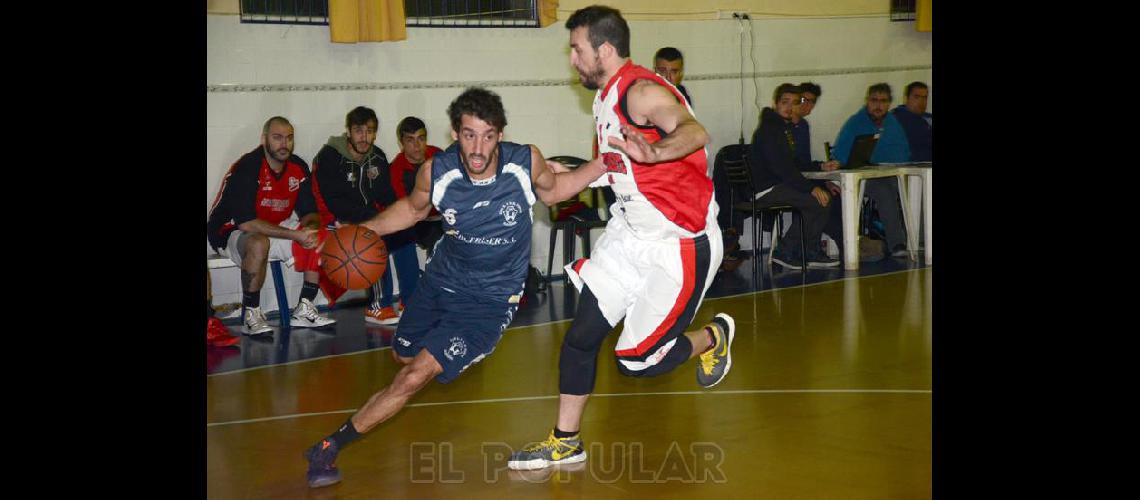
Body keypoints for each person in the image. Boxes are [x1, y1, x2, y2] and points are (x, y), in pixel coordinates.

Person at [302, 87, 607, 488]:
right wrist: (359, 232)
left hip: (489, 300)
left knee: (412, 378)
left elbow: (557, 189)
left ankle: (328, 447)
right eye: (468, 135)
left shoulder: (523, 161)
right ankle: (424, 363)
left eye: (488, 135)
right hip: (441, 281)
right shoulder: (437, 171)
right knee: (402, 356)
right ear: (453, 133)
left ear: (500, 134)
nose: (478, 148)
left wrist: (604, 163)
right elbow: (410, 211)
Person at [507, 5, 735, 472]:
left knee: (640, 362)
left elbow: (694, 131)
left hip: (679, 243)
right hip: (630, 235)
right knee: (581, 338)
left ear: (605, 50)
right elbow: (597, 173)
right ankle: (565, 440)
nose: (572, 59)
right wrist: (538, 176)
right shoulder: (604, 98)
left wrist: (655, 153)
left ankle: (714, 336)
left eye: (577, 49)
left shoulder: (641, 91)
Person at [206, 116, 337, 336]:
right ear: (264, 139)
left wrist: (310, 227)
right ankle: (251, 314)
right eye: (277, 138)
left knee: (319, 233)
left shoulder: (297, 166)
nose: (284, 144)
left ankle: (305, 308)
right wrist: (295, 236)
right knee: (259, 242)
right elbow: (246, 223)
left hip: (273, 225)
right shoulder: (248, 167)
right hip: (229, 230)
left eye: (289, 138)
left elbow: (310, 213)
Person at [311, 106, 415, 326]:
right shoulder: (330, 157)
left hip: (365, 217)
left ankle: (411, 300)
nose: (364, 137)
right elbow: (333, 202)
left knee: (405, 233)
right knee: (375, 236)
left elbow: (387, 196)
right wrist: (376, 221)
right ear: (348, 132)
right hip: (333, 220)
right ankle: (377, 305)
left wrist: (395, 218)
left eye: (369, 131)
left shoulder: (377, 157)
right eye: (358, 130)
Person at [740, 83, 840, 269]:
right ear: (775, 103)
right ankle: (786, 251)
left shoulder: (782, 128)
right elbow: (783, 169)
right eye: (785, 102)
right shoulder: (771, 129)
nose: (789, 107)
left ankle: (808, 250)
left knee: (822, 199)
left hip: (776, 185)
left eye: (794, 103)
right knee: (817, 201)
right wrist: (811, 187)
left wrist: (820, 166)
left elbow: (793, 164)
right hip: (765, 189)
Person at [832, 83, 911, 258]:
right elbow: (841, 155)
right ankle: (897, 243)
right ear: (867, 101)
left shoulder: (892, 123)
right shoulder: (855, 122)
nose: (878, 105)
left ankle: (920, 239)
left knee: (914, 185)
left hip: (888, 175)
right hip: (859, 179)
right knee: (885, 190)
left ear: (889, 103)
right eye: (874, 100)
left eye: (883, 101)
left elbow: (903, 153)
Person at [792, 81, 846, 257]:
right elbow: (792, 165)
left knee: (836, 194)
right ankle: (812, 247)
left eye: (811, 101)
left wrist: (825, 179)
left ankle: (843, 242)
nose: (807, 104)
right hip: (788, 179)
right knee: (823, 199)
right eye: (803, 99)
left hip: (803, 176)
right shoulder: (784, 127)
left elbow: (804, 162)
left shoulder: (804, 126)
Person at [389, 116, 446, 258]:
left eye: (421, 138)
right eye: (410, 140)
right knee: (439, 240)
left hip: (445, 215)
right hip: (419, 221)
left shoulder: (437, 155)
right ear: (401, 143)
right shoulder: (397, 170)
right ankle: (436, 278)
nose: (417, 145)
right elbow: (408, 209)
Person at [892, 81, 932, 162]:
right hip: (912, 168)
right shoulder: (896, 120)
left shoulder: (928, 118)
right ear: (906, 98)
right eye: (916, 97)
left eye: (924, 97)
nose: (921, 102)